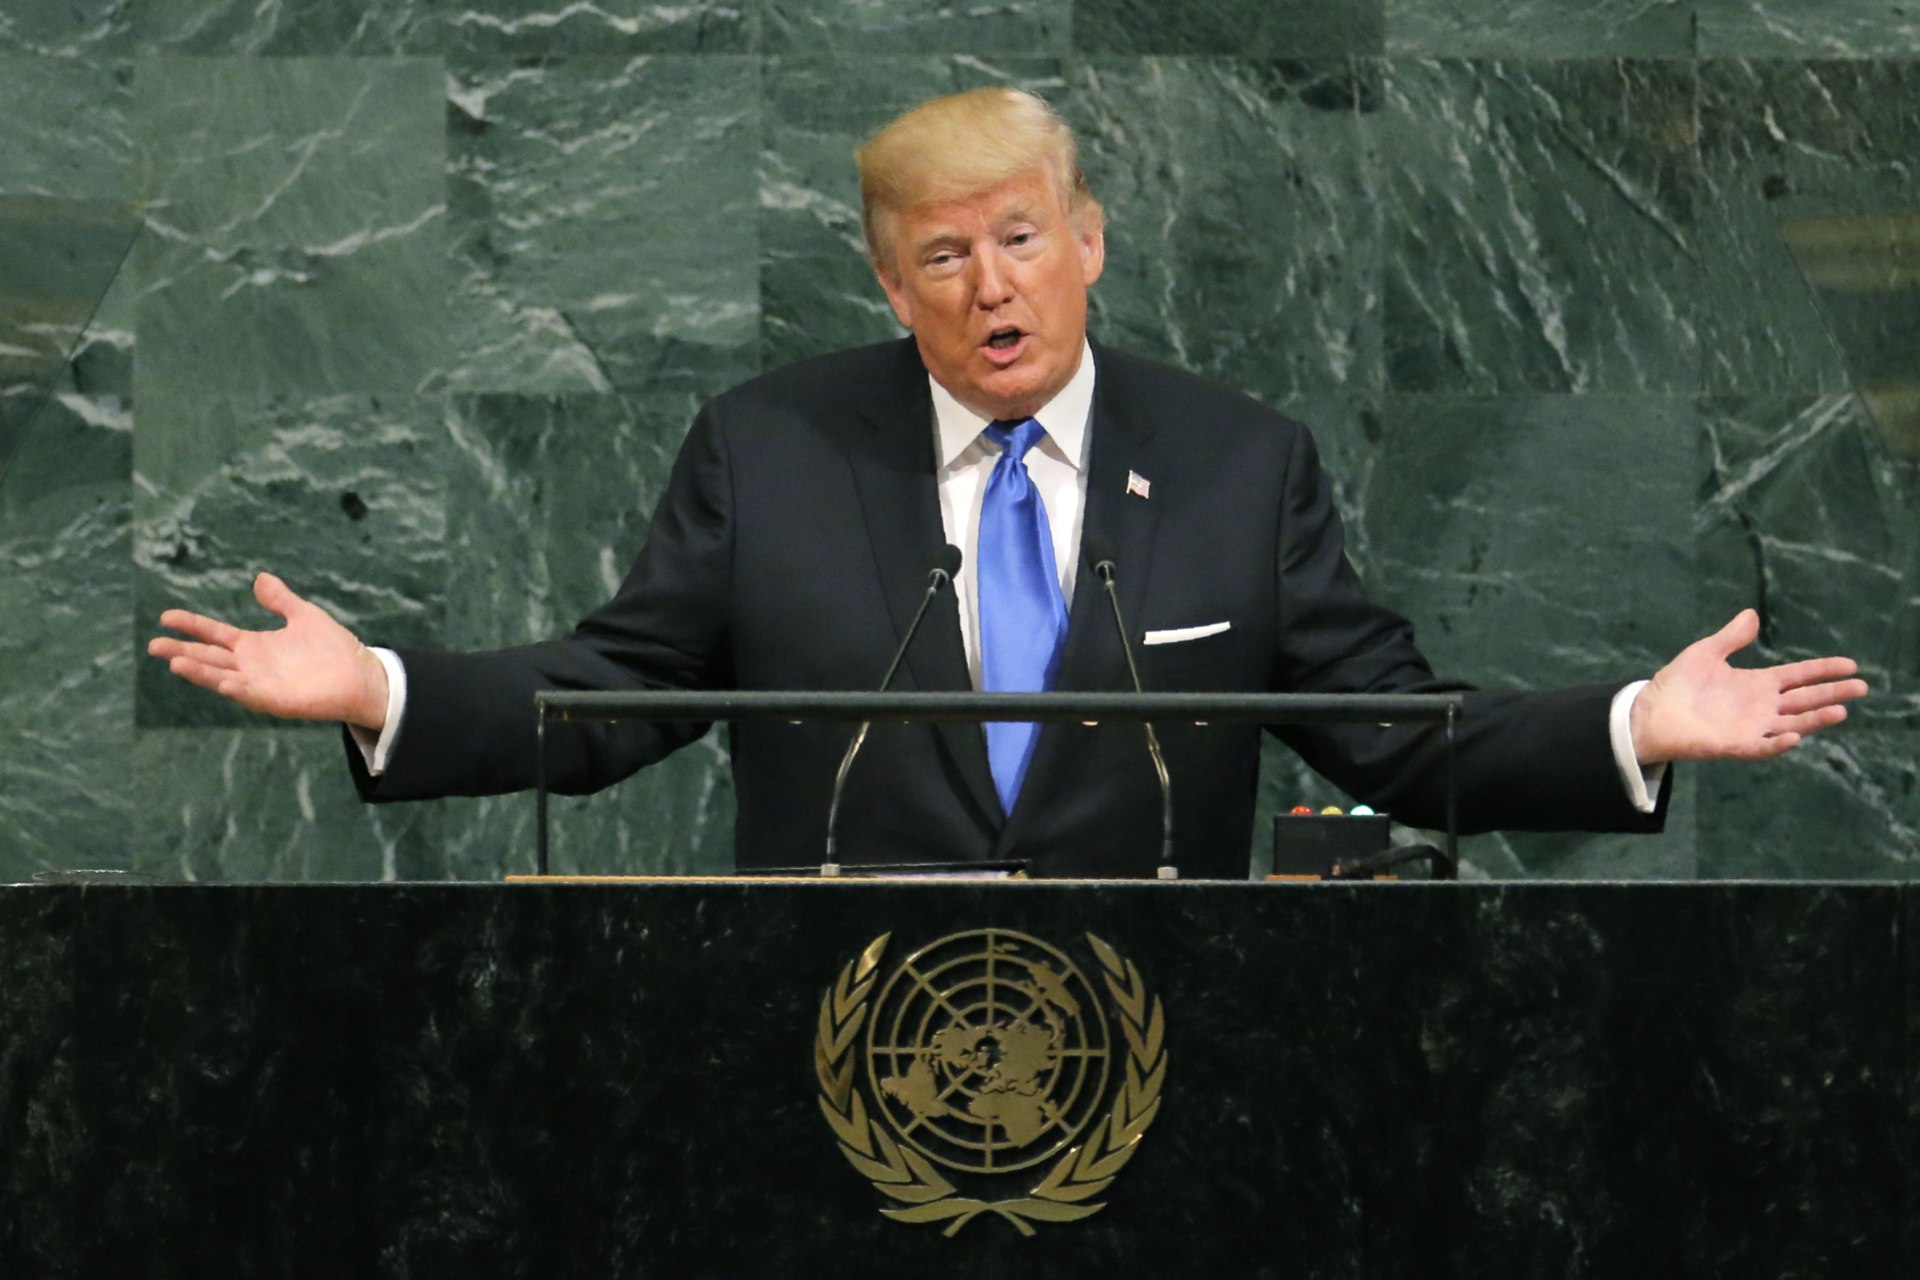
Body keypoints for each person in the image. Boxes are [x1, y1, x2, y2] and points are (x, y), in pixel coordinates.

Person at [147, 88, 1867, 878]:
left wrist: (1638, 722)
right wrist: (374, 688)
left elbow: (1390, 735)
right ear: (891, 291)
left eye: (1021, 237)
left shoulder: (1234, 462)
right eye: (943, 256)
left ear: (1090, 244)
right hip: (826, 1059)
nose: (990, 286)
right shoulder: (778, 448)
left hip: (1178, 1059)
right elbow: (623, 698)